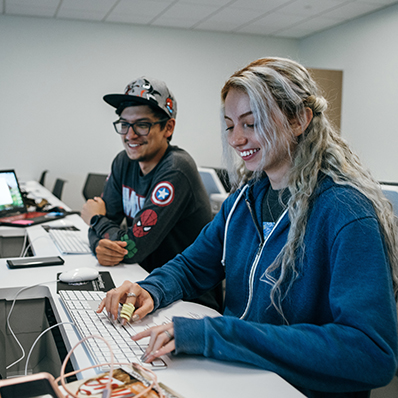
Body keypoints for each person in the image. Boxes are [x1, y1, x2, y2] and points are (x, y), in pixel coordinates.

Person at [98, 58, 398, 398]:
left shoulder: (345, 212)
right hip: (238, 374)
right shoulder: (244, 200)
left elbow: (371, 353)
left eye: (251, 123)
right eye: (229, 126)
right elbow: (193, 265)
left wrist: (217, 334)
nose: (237, 139)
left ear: (299, 120)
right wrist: (150, 289)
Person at [81, 76, 221, 310]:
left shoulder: (176, 169)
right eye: (124, 124)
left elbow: (133, 248)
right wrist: (98, 243)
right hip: (142, 283)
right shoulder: (123, 162)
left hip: (184, 298)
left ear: (168, 127)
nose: (130, 135)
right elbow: (109, 225)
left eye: (142, 125)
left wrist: (95, 219)